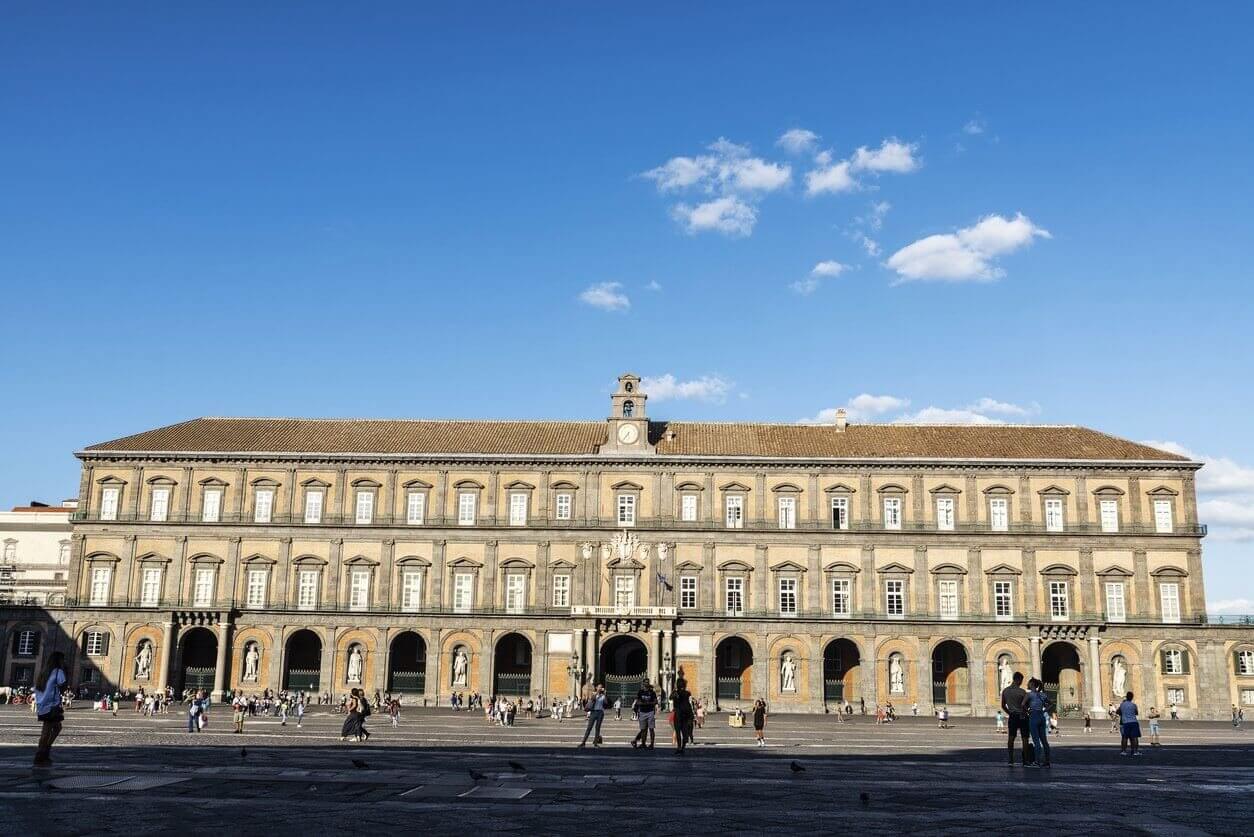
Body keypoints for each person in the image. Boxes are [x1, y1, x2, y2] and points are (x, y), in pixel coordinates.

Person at [32, 651, 67, 767]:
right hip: (52, 705)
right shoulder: (58, 672)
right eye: (62, 660)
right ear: (58, 661)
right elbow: (63, 684)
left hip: (42, 705)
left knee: (55, 728)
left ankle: (44, 751)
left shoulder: (43, 672)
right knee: (47, 731)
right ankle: (41, 754)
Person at [1001, 671, 1031, 767]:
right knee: (1025, 738)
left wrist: (1009, 713)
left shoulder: (1005, 691)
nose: (1021, 682)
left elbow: (1003, 705)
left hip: (1013, 716)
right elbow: (1026, 706)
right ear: (1018, 680)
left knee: (1011, 738)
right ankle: (1025, 761)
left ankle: (1011, 760)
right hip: (1022, 716)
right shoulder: (1022, 692)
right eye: (1021, 680)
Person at [1024, 678, 1052, 768]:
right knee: (1044, 741)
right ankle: (1047, 762)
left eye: (1028, 683)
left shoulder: (1029, 695)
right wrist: (1044, 711)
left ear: (1032, 684)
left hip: (1034, 717)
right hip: (1041, 717)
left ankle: (1037, 761)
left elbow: (1022, 704)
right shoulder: (1042, 695)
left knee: (1036, 741)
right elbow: (1051, 704)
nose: (1027, 684)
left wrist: (1027, 712)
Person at [631, 679, 658, 750]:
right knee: (643, 729)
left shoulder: (652, 692)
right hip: (642, 712)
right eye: (645, 682)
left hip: (650, 712)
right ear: (643, 683)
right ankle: (643, 744)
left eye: (647, 682)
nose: (646, 684)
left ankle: (652, 744)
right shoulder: (640, 692)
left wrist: (646, 703)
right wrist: (647, 703)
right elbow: (638, 702)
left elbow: (655, 701)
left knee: (651, 729)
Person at [672, 678, 694, 754]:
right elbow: (689, 704)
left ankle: (679, 747)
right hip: (685, 714)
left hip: (679, 714)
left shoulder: (678, 693)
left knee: (679, 732)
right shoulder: (687, 693)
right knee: (684, 733)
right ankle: (682, 747)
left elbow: (671, 697)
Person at [1118, 691, 1142, 757]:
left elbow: (1119, 712)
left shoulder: (1122, 705)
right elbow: (1136, 713)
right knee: (1135, 737)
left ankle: (1123, 751)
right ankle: (1135, 751)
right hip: (1134, 722)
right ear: (1132, 697)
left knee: (1125, 737)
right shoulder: (1133, 705)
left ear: (1126, 696)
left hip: (1125, 722)